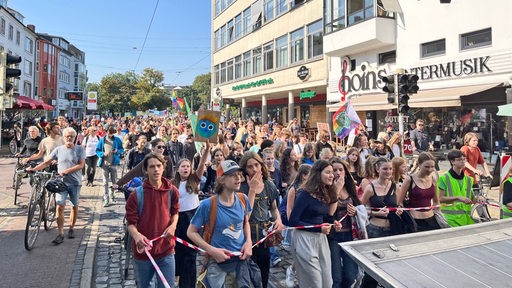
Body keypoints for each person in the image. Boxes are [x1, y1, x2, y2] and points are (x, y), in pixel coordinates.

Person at [187, 160, 254, 288]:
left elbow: (245, 223)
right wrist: (212, 250)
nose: (238, 178)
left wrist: (249, 242)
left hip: (240, 260)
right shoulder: (208, 205)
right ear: (222, 180)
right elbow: (191, 232)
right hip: (218, 263)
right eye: (232, 175)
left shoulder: (242, 199)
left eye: (239, 174)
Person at [125, 153, 180, 288]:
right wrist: (137, 235)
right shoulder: (136, 195)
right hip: (144, 252)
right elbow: (131, 223)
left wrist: (173, 226)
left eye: (158, 166)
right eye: (152, 167)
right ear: (146, 170)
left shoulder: (172, 191)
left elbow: (175, 212)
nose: (156, 169)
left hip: (166, 250)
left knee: (167, 285)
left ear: (163, 168)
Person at [27, 127, 85, 244]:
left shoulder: (79, 149)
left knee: (74, 206)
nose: (69, 138)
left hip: (75, 183)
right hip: (61, 183)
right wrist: (34, 169)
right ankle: (60, 233)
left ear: (75, 138)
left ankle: (72, 228)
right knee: (60, 206)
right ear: (63, 137)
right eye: (67, 136)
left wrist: (67, 171)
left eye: (71, 136)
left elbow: (81, 165)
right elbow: (46, 162)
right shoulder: (59, 149)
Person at [288, 160, 341, 288]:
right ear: (318, 174)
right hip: (304, 239)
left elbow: (324, 217)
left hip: (321, 240)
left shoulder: (326, 192)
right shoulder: (305, 194)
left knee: (327, 282)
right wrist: (318, 229)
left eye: (331, 172)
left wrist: (333, 222)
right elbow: (293, 221)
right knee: (314, 283)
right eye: (328, 172)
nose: (331, 175)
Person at [239, 151, 284, 288]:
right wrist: (251, 190)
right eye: (250, 166)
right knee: (248, 270)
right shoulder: (241, 187)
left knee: (264, 268)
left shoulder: (268, 185)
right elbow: (244, 214)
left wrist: (279, 220)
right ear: (244, 169)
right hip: (247, 234)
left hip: (264, 235)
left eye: (256, 165)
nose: (254, 169)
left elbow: (274, 208)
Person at [171, 141, 210, 288]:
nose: (186, 168)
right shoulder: (172, 183)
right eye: (183, 166)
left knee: (190, 253)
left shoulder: (194, 180)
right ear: (178, 169)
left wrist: (206, 150)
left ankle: (188, 283)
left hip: (192, 218)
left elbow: (201, 166)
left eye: (188, 166)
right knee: (177, 251)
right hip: (177, 219)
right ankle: (175, 276)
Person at [360, 157, 403, 288]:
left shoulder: (396, 187)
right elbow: (361, 209)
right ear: (378, 169)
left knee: (391, 264)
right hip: (374, 229)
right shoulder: (370, 188)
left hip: (391, 229)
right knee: (372, 265)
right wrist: (375, 213)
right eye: (385, 169)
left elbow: (399, 204)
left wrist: (399, 209)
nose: (388, 171)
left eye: (390, 169)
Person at [328, 157, 361, 288]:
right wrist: (336, 188)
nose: (337, 172)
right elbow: (327, 212)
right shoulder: (327, 188)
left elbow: (360, 206)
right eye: (334, 170)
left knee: (350, 275)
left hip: (349, 235)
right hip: (333, 236)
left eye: (340, 169)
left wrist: (356, 211)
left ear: (345, 172)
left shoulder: (351, 188)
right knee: (336, 277)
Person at [398, 152, 441, 231]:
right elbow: (399, 202)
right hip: (415, 221)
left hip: (431, 219)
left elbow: (436, 202)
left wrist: (440, 217)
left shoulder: (433, 179)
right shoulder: (409, 180)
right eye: (426, 167)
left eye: (432, 167)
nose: (430, 170)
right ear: (419, 165)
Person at [438, 149, 479, 227]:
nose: (463, 161)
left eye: (464, 159)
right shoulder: (444, 178)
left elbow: (472, 199)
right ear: (452, 162)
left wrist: (479, 198)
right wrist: (458, 198)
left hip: (466, 219)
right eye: (459, 160)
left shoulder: (469, 179)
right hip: (450, 220)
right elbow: (440, 199)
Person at [96, 127, 124, 207]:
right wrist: (102, 154)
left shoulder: (117, 140)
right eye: (109, 132)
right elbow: (97, 150)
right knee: (105, 182)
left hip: (114, 163)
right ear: (106, 131)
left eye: (111, 133)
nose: (110, 134)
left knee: (114, 181)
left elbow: (121, 149)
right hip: (104, 164)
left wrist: (117, 151)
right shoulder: (102, 140)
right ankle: (106, 198)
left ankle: (112, 193)